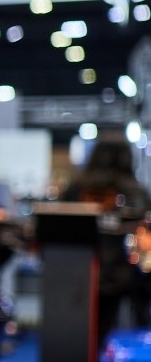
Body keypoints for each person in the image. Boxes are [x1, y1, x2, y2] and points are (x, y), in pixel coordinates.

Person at [62, 135, 149, 335]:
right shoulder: (136, 193)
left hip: (78, 272)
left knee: (82, 332)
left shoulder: (76, 189)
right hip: (128, 277)